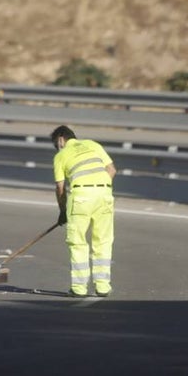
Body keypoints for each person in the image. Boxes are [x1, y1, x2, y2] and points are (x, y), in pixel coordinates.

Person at [51, 125, 116, 298]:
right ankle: (102, 286)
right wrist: (98, 186)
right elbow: (111, 170)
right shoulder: (93, 144)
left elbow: (60, 187)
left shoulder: (60, 155)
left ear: (60, 140)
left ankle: (79, 288)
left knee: (78, 242)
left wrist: (63, 211)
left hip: (80, 197)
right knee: (103, 241)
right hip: (104, 194)